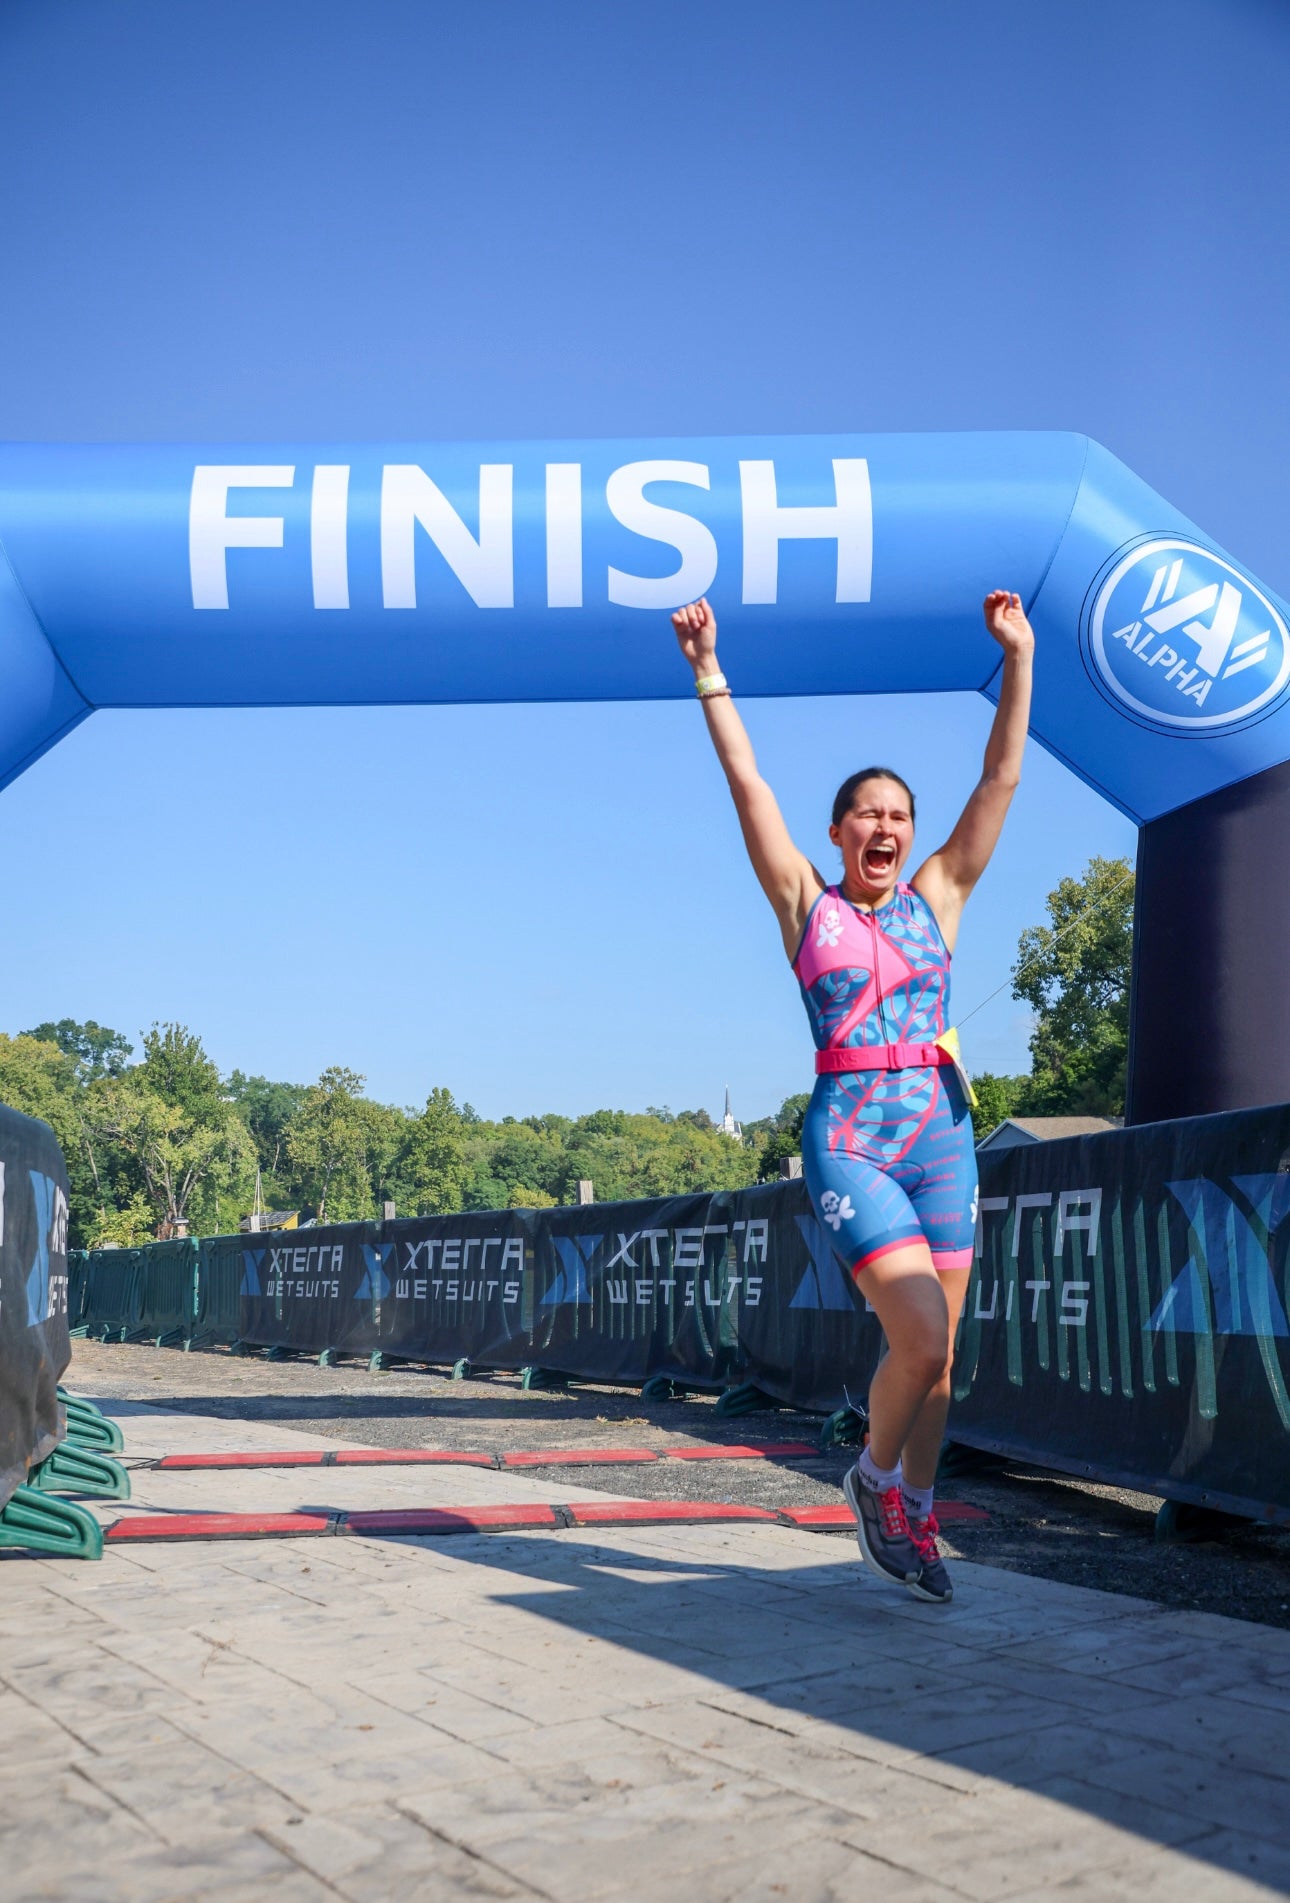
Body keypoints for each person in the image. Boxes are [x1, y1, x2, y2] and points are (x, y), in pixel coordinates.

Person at [670, 590, 1034, 1602]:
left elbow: (1001, 777)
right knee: (916, 1333)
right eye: (868, 813)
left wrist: (1020, 658)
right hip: (853, 1137)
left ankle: (913, 1516)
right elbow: (748, 785)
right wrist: (709, 669)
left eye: (900, 815)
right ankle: (872, 1481)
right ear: (838, 832)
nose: (886, 825)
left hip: (942, 1134)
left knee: (943, 1358)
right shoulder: (806, 904)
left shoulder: (938, 897)